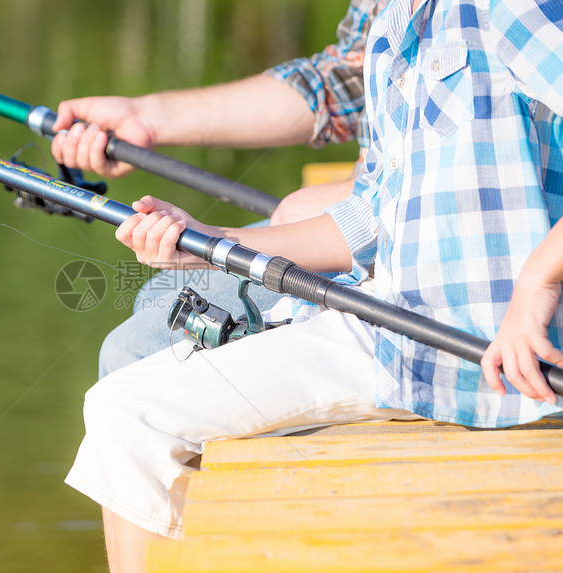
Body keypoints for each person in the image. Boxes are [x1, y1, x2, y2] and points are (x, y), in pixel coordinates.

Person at [65, 1, 563, 571]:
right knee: (120, 404)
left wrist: (535, 284)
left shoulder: (510, 8)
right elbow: (371, 220)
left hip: (481, 354)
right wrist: (209, 241)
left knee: (132, 416)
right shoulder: (392, 29)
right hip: (392, 325)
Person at [52, 0, 383, 377]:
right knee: (156, 296)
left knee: (134, 352)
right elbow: (343, 80)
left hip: (397, 246)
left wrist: (216, 239)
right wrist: (146, 119)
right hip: (366, 215)